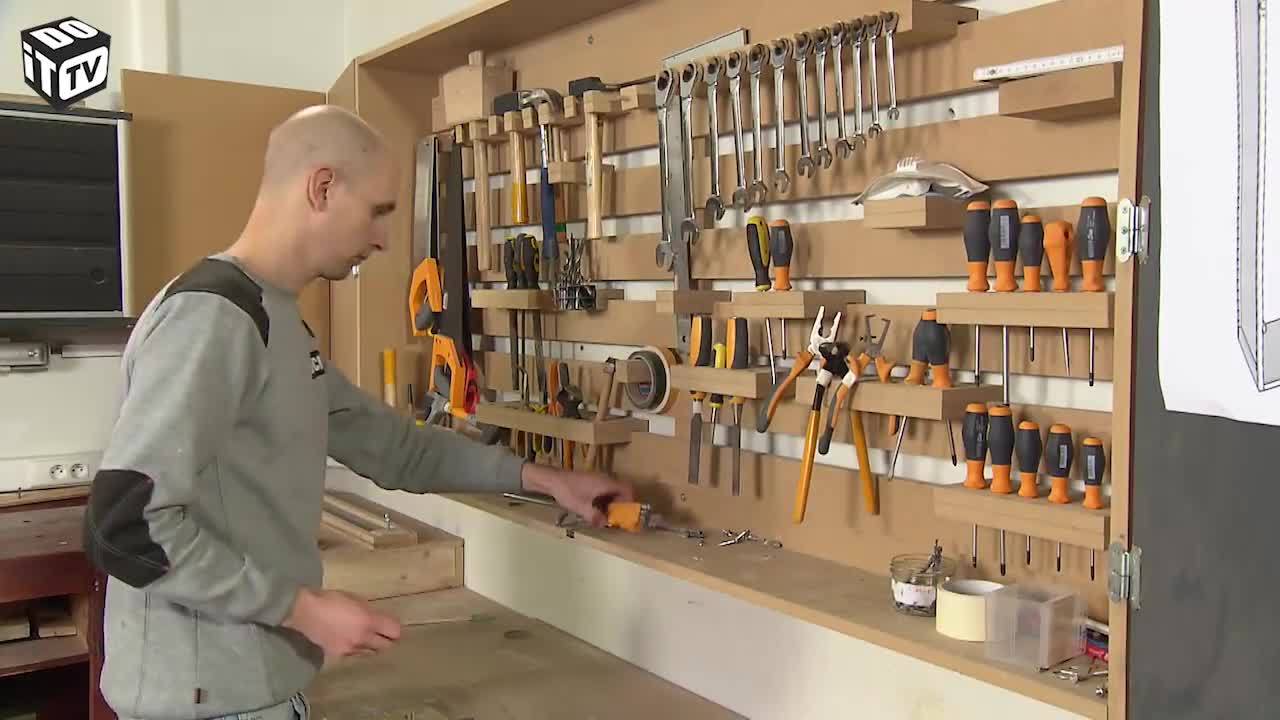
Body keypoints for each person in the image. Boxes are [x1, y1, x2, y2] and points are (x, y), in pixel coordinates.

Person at [81, 104, 633, 720]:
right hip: (207, 701)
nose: (383, 239)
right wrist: (304, 610)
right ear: (322, 187)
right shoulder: (212, 318)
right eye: (377, 211)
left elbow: (394, 448)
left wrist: (544, 479)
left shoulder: (276, 318)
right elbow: (126, 523)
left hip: (254, 688)